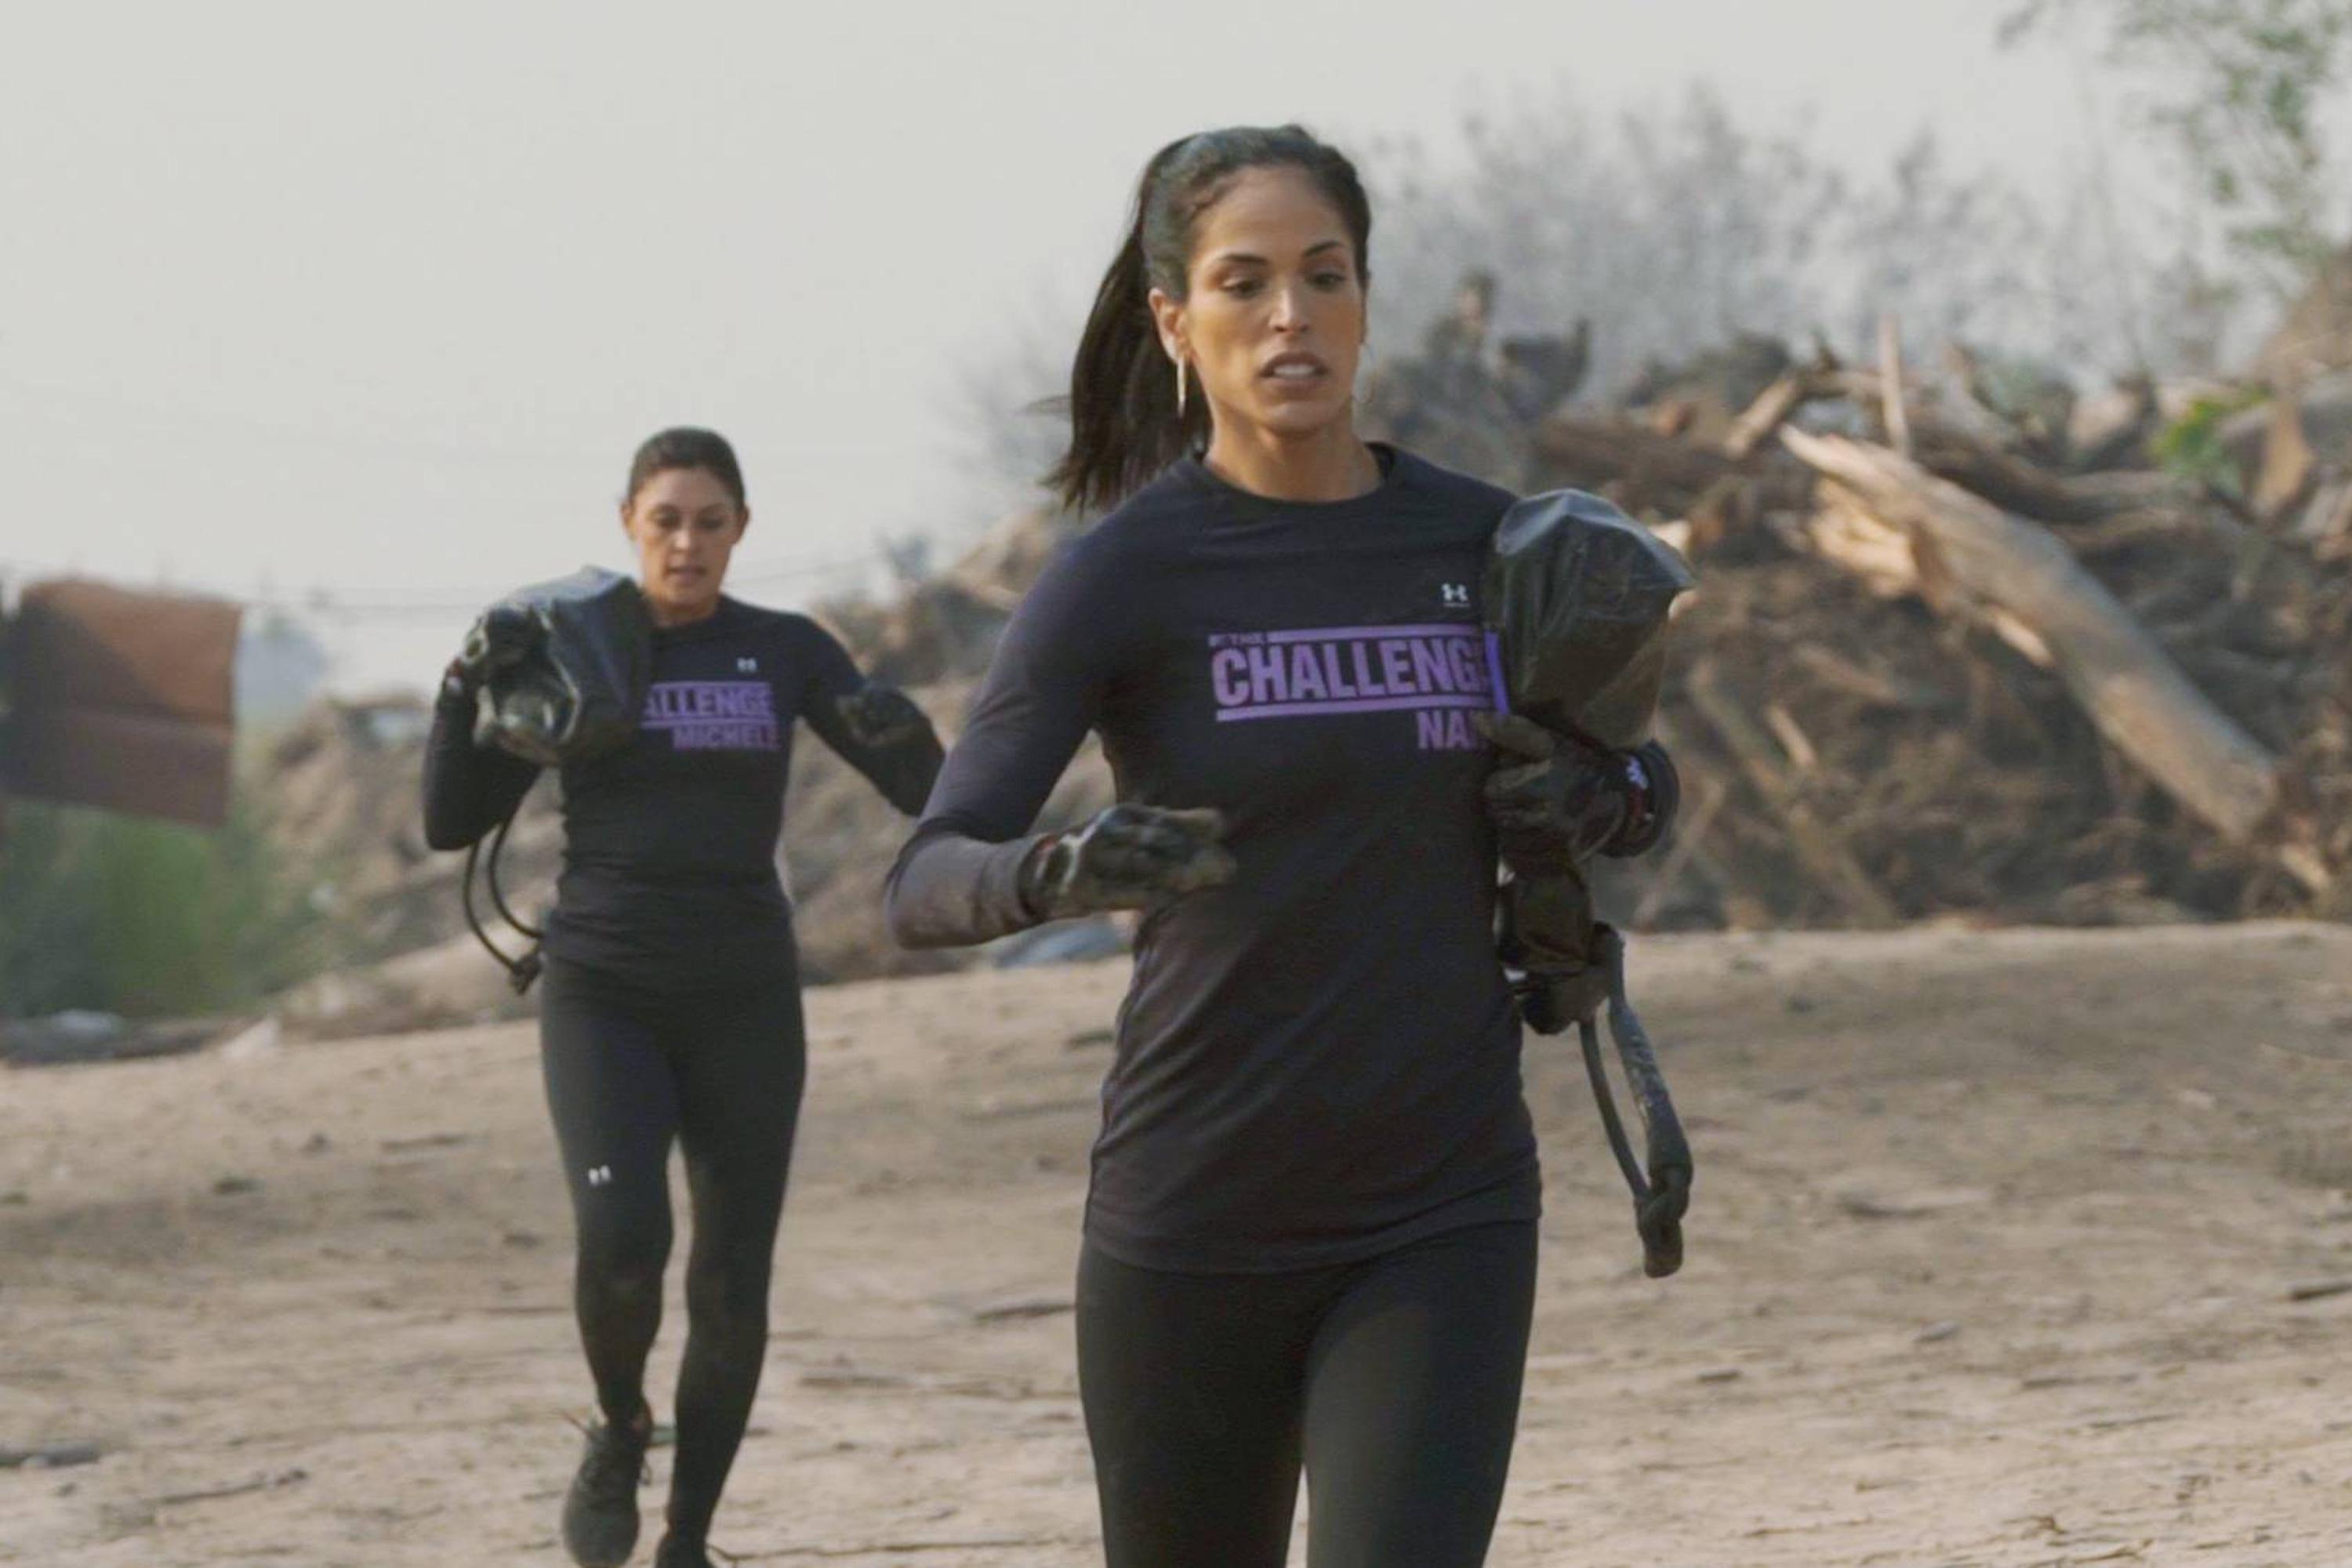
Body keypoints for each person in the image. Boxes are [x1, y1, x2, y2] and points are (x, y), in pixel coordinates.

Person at [885, 128, 1675, 1568]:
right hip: (1191, 1219)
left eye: (1325, 276)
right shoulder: (1124, 575)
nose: (1290, 316)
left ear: (1367, 300)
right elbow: (924, 877)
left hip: (1441, 1205)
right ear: (1175, 323)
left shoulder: (1490, 549)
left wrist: (1594, 796)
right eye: (1243, 284)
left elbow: (1640, 779)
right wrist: (1055, 872)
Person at [423, 427, 942, 1568]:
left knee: (731, 1278)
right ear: (628, 524)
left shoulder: (786, 649)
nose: (687, 544)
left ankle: (688, 1539)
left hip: (744, 994)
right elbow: (450, 822)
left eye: (711, 522)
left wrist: (911, 734)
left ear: (741, 530)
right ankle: (619, 1428)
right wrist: (464, 685)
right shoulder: (575, 648)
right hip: (603, 989)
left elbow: (923, 788)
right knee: (623, 1242)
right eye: (666, 521)